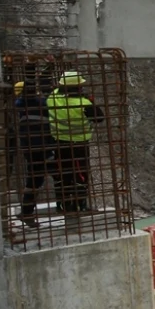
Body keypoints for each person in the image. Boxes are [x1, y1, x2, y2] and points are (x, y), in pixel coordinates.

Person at [46, 71, 104, 214]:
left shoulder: (52, 98)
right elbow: (99, 118)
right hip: (79, 144)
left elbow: (52, 89)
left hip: (59, 143)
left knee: (63, 174)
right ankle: (81, 206)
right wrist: (89, 100)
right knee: (80, 175)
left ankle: (63, 206)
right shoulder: (84, 104)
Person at [14, 79, 55, 227]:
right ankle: (71, 206)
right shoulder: (31, 103)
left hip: (32, 148)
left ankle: (26, 212)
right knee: (60, 173)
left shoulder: (22, 105)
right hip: (41, 147)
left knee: (35, 180)